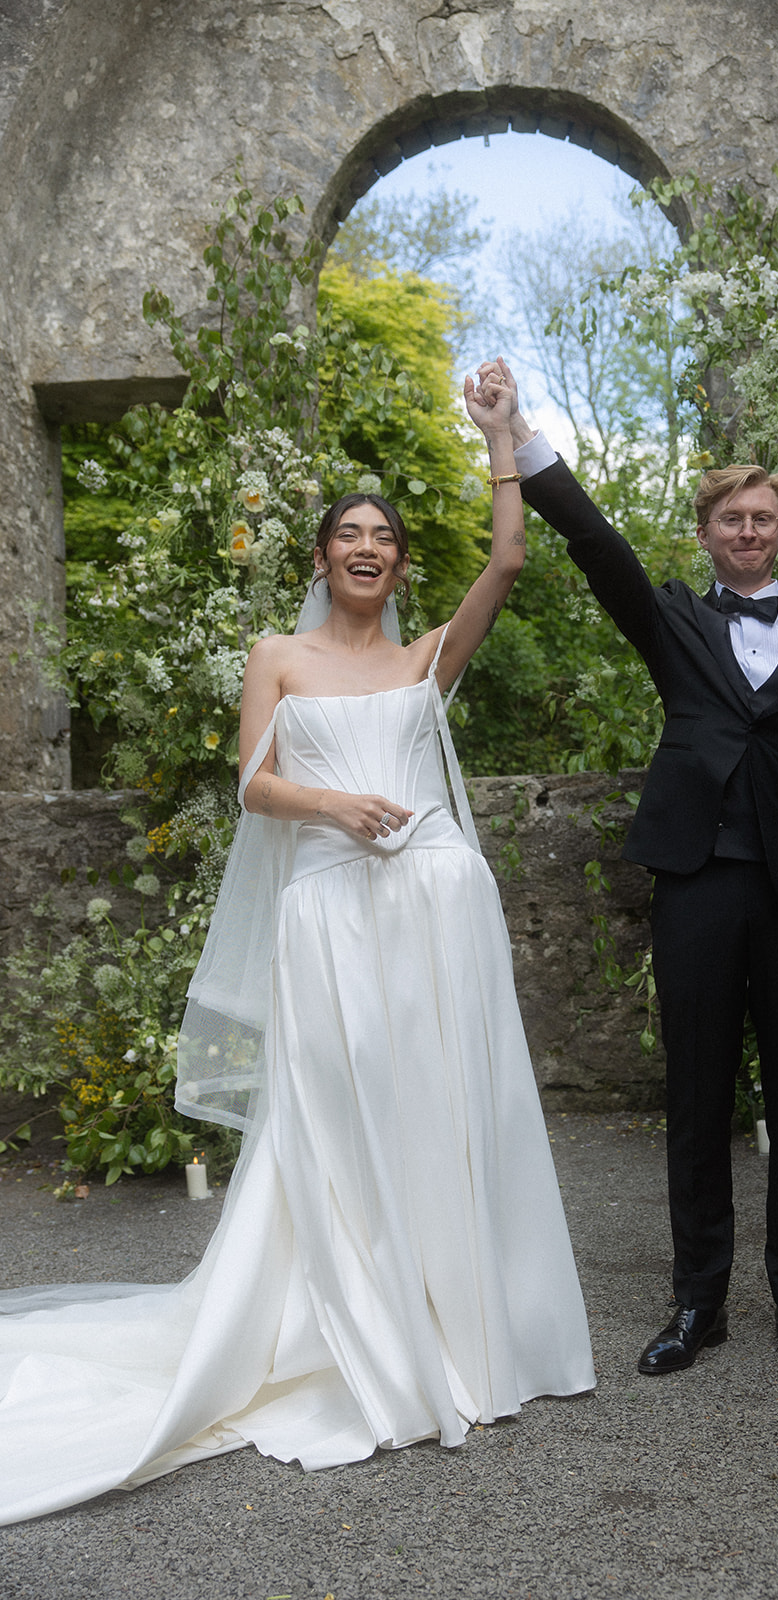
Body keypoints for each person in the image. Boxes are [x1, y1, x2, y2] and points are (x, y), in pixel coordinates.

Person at [0, 371, 594, 1526]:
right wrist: (338, 807)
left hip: (436, 913)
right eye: (348, 536)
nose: (366, 549)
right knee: (340, 1110)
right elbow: (253, 785)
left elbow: (511, 563)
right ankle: (353, 1325)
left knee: (439, 1106)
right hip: (330, 912)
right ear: (321, 560)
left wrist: (498, 438)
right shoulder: (277, 652)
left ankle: (460, 1327)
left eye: (383, 538)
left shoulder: (428, 657)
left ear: (400, 565)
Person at [475, 358, 778, 1379]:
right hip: (697, 883)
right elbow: (593, 543)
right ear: (707, 531)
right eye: (731, 519)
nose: (748, 531)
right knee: (699, 1094)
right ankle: (696, 1302)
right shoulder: (672, 619)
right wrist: (515, 432)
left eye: (763, 518)